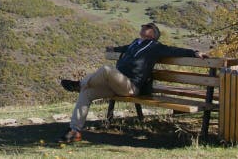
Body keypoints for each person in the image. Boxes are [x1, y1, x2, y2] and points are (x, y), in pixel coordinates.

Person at [58, 22, 208, 143]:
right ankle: (75, 131)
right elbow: (125, 48)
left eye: (148, 27)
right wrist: (114, 48)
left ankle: (80, 84)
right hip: (116, 86)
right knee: (87, 93)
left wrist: (194, 52)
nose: (144, 27)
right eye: (143, 26)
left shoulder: (155, 47)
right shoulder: (135, 43)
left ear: (154, 34)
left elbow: (175, 50)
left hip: (130, 86)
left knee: (105, 70)